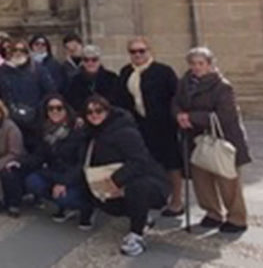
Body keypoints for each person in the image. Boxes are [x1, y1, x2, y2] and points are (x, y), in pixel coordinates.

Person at [173, 46, 251, 234]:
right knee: (202, 180)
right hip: (196, 139)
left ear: (209, 64)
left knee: (227, 181)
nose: (197, 67)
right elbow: (176, 101)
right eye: (193, 64)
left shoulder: (222, 86)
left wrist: (191, 117)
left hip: (223, 140)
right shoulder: (185, 82)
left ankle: (237, 218)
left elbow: (225, 115)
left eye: (201, 63)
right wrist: (178, 115)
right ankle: (212, 213)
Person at [82, 95, 170, 257]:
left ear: (107, 111)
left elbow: (140, 161)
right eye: (89, 112)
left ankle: (136, 235)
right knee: (100, 198)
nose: (94, 115)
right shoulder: (93, 133)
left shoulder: (124, 131)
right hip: (116, 179)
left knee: (137, 189)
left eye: (98, 110)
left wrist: (116, 180)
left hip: (149, 181)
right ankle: (141, 216)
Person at [118, 36, 184, 215]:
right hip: (139, 126)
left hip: (164, 124)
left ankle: (177, 200)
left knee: (171, 162)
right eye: (133, 51)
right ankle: (156, 196)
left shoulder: (163, 71)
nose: (138, 54)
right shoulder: (126, 72)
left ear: (149, 51)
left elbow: (176, 96)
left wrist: (178, 116)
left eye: (141, 51)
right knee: (147, 163)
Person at [23, 94, 91, 226]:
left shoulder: (77, 130)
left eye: (59, 108)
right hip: (55, 172)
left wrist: (64, 182)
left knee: (65, 197)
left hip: (75, 176)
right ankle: (61, 203)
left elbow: (81, 163)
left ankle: (85, 208)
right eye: (51, 108)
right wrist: (18, 161)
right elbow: (39, 156)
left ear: (66, 109)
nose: (55, 111)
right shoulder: (45, 130)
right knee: (32, 181)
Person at [0, 40, 54, 140]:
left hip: (35, 120)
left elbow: (50, 93)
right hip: (10, 119)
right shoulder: (2, 71)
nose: (18, 53)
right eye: (15, 50)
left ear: (27, 53)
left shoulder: (39, 70)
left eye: (22, 50)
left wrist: (39, 111)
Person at [65, 44, 124, 112]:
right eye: (86, 60)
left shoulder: (112, 79)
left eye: (94, 60)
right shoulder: (75, 81)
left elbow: (118, 102)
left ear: (99, 61)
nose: (90, 63)